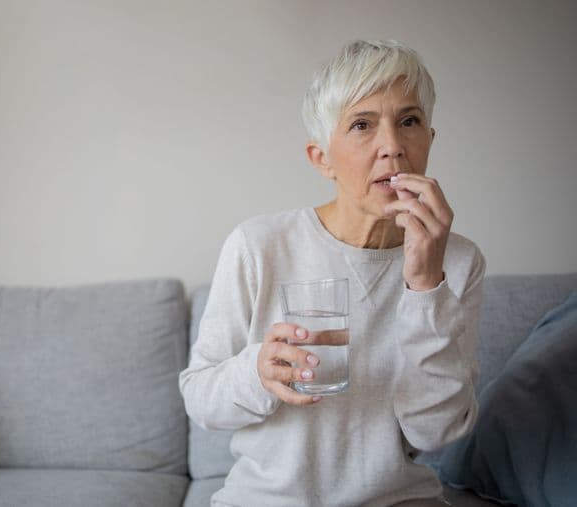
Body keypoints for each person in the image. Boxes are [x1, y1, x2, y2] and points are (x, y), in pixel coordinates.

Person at [179, 39, 486, 507]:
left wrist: (426, 285)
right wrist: (257, 371)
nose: (393, 147)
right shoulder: (259, 244)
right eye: (362, 125)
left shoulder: (458, 262)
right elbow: (200, 398)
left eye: (409, 122)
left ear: (429, 139)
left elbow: (435, 430)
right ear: (321, 158)